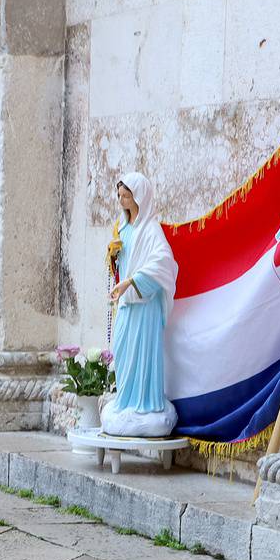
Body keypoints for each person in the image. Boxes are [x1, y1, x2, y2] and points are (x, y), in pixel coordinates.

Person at [102, 171, 179, 437]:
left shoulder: (151, 229)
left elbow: (163, 263)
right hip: (126, 303)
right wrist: (113, 257)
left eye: (127, 196)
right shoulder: (122, 228)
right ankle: (125, 401)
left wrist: (132, 282)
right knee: (122, 351)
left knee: (142, 354)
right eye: (120, 196)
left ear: (140, 196)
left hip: (145, 304)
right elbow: (120, 261)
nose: (122, 201)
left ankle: (145, 404)